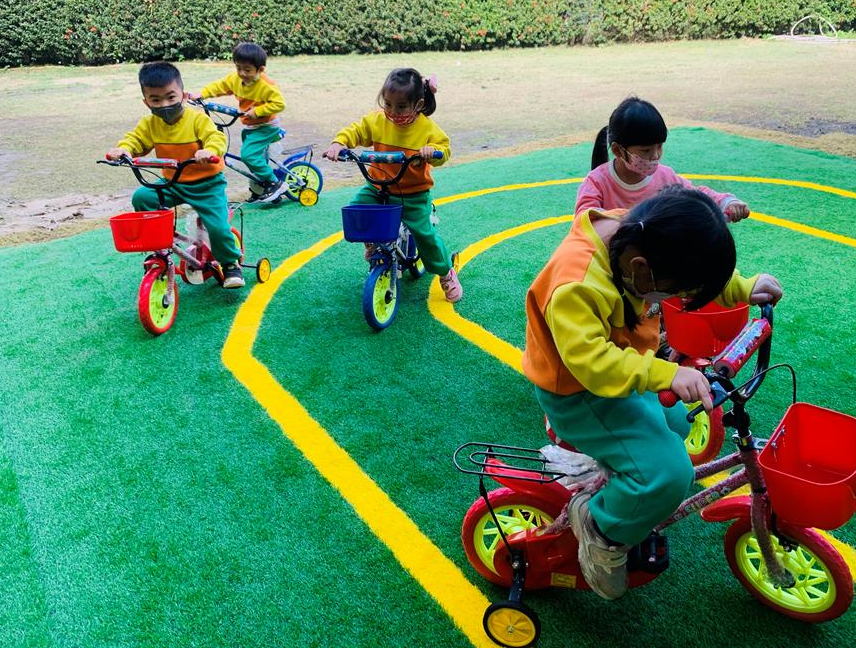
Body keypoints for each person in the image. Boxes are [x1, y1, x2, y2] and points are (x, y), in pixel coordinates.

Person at [521, 188, 782, 600]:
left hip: (622, 372)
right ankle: (600, 529)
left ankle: (622, 475)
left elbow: (688, 266)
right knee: (670, 473)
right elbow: (592, 364)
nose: (671, 301)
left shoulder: (639, 234)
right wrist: (666, 373)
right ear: (641, 270)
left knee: (678, 421)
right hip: (578, 393)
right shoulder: (577, 285)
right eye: (671, 293)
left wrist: (740, 288)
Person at [323, 68, 463, 302]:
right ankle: (373, 244)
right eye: (387, 104)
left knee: (425, 236)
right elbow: (357, 130)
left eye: (401, 107)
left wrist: (432, 151)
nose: (392, 112)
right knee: (358, 209)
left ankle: (445, 272)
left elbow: (444, 149)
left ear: (418, 105)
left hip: (413, 194)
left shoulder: (426, 128)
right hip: (378, 187)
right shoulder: (378, 120)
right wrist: (339, 142)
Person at [106, 61, 244, 288]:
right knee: (143, 197)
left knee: (218, 227)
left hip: (206, 185)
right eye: (155, 100)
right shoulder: (150, 123)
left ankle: (230, 263)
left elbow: (215, 137)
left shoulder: (197, 119)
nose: (164, 105)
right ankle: (160, 245)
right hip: (173, 183)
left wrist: (209, 151)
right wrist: (124, 150)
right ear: (146, 102)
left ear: (183, 95)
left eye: (171, 97)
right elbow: (136, 139)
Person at [575, 96, 750, 220]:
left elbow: (696, 195)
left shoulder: (666, 177)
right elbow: (584, 219)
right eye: (646, 150)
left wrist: (725, 202)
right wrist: (625, 219)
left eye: (659, 146)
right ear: (618, 150)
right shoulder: (597, 182)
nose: (656, 155)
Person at [194, 42, 288, 203]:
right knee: (255, 159)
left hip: (266, 126)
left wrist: (257, 111)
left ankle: (274, 183)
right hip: (250, 126)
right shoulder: (235, 79)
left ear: (260, 69)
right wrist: (201, 94)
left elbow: (280, 104)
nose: (242, 73)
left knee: (248, 155)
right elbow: (220, 86)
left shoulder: (266, 86)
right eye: (238, 68)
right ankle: (259, 188)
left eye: (247, 70)